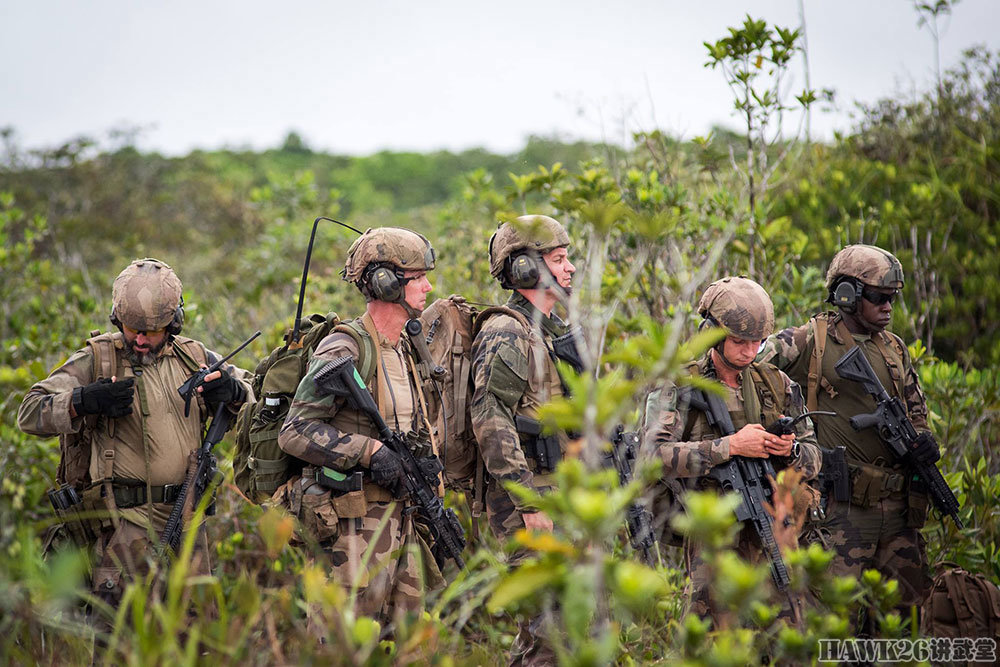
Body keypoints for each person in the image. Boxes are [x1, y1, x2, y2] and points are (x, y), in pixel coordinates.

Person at [17, 258, 252, 604]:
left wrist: (233, 392)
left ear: (173, 323)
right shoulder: (96, 359)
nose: (140, 340)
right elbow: (29, 411)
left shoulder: (194, 356)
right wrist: (82, 400)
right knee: (122, 644)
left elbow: (258, 390)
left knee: (191, 643)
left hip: (187, 525)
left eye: (152, 330)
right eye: (132, 329)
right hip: (124, 529)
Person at [758, 244, 935, 629]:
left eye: (893, 298)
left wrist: (923, 439)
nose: (888, 307)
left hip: (899, 508)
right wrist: (780, 429)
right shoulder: (810, 340)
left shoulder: (894, 348)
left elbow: (915, 408)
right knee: (833, 624)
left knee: (905, 624)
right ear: (847, 295)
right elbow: (750, 367)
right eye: (879, 297)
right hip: (843, 511)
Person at [276, 226, 445, 623]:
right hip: (354, 532)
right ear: (385, 284)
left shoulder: (405, 346)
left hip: (402, 522)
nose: (428, 286)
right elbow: (295, 430)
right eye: (417, 277)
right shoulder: (345, 347)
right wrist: (369, 451)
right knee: (343, 644)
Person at [642, 276, 821, 625]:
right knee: (713, 637)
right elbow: (651, 457)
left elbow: (815, 457)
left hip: (776, 527)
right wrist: (730, 447)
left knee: (787, 634)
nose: (750, 351)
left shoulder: (776, 383)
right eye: (739, 341)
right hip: (715, 533)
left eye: (758, 342)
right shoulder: (680, 385)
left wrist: (790, 449)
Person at [470, 214, 577, 665]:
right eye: (559, 259)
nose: (570, 268)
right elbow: (489, 416)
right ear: (527, 270)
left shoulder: (548, 332)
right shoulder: (508, 330)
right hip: (533, 502)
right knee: (546, 636)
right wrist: (529, 503)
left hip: (563, 495)